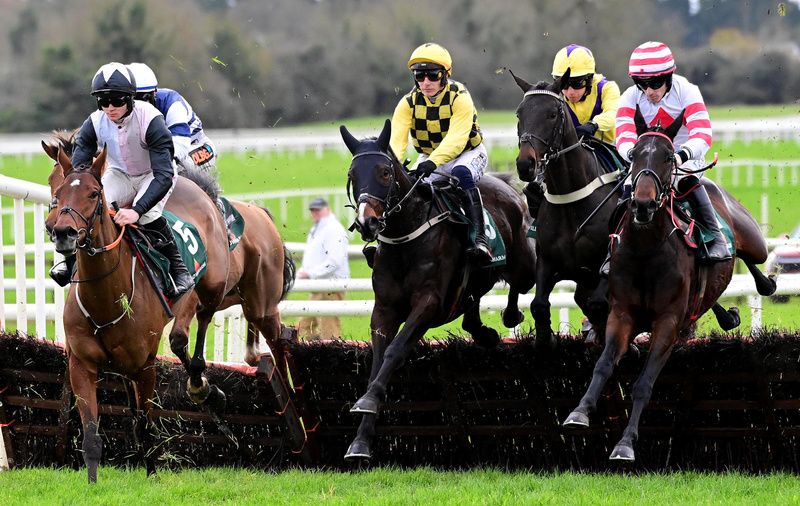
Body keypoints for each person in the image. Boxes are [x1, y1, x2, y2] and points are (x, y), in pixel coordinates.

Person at [50, 62, 195, 298]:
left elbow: (164, 175)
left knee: (148, 215)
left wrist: (136, 210)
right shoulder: (95, 121)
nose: (110, 107)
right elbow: (80, 161)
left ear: (130, 98)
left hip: (154, 174)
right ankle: (71, 261)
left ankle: (179, 271)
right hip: (120, 173)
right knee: (93, 205)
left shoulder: (151, 120)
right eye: (103, 101)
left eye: (117, 100)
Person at [606, 40, 729, 273]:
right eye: (641, 83)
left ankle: (715, 236)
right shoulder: (630, 97)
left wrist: (681, 156)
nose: (649, 91)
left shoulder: (688, 91)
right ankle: (611, 248)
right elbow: (622, 135)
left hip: (684, 155)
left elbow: (702, 133)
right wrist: (634, 155)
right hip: (646, 159)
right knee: (628, 188)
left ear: (669, 76)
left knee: (685, 179)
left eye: (655, 83)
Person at [389, 42, 492, 265]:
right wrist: (394, 167)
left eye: (433, 75)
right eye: (419, 75)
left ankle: (481, 240)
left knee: (461, 174)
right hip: (430, 157)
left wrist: (432, 162)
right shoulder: (407, 103)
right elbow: (397, 142)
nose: (425, 82)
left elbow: (457, 139)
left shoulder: (460, 96)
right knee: (405, 190)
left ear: (446, 74)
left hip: (468, 152)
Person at [526, 44, 622, 220]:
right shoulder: (557, 95)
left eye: (577, 84)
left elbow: (615, 114)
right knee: (539, 183)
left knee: (630, 184)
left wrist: (593, 125)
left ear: (590, 78)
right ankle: (537, 219)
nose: (570, 92)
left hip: (606, 148)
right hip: (567, 150)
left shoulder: (607, 88)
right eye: (564, 84)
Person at [126, 62, 217, 174]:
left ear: (154, 93)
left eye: (140, 99)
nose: (137, 106)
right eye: (131, 100)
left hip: (197, 147)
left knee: (174, 169)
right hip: (162, 151)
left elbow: (179, 146)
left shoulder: (172, 103)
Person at [296, 198, 350, 340]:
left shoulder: (333, 229)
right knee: (305, 327)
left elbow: (334, 261)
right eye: (313, 210)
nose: (315, 213)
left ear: (327, 210)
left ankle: (330, 358)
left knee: (329, 329)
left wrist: (309, 273)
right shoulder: (319, 228)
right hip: (321, 285)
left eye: (318, 210)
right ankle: (311, 358)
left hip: (331, 286)